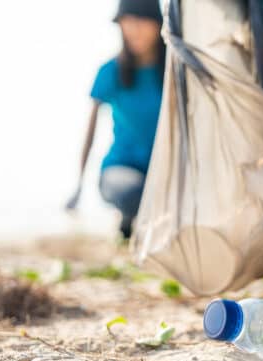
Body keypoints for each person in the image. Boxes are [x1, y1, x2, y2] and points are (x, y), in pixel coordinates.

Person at [66, 0, 165, 239]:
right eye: (128, 22)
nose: (135, 29)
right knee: (133, 192)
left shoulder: (175, 70)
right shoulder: (110, 71)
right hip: (122, 168)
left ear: (158, 24)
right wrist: (79, 186)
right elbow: (91, 130)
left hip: (166, 168)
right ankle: (129, 221)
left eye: (142, 21)